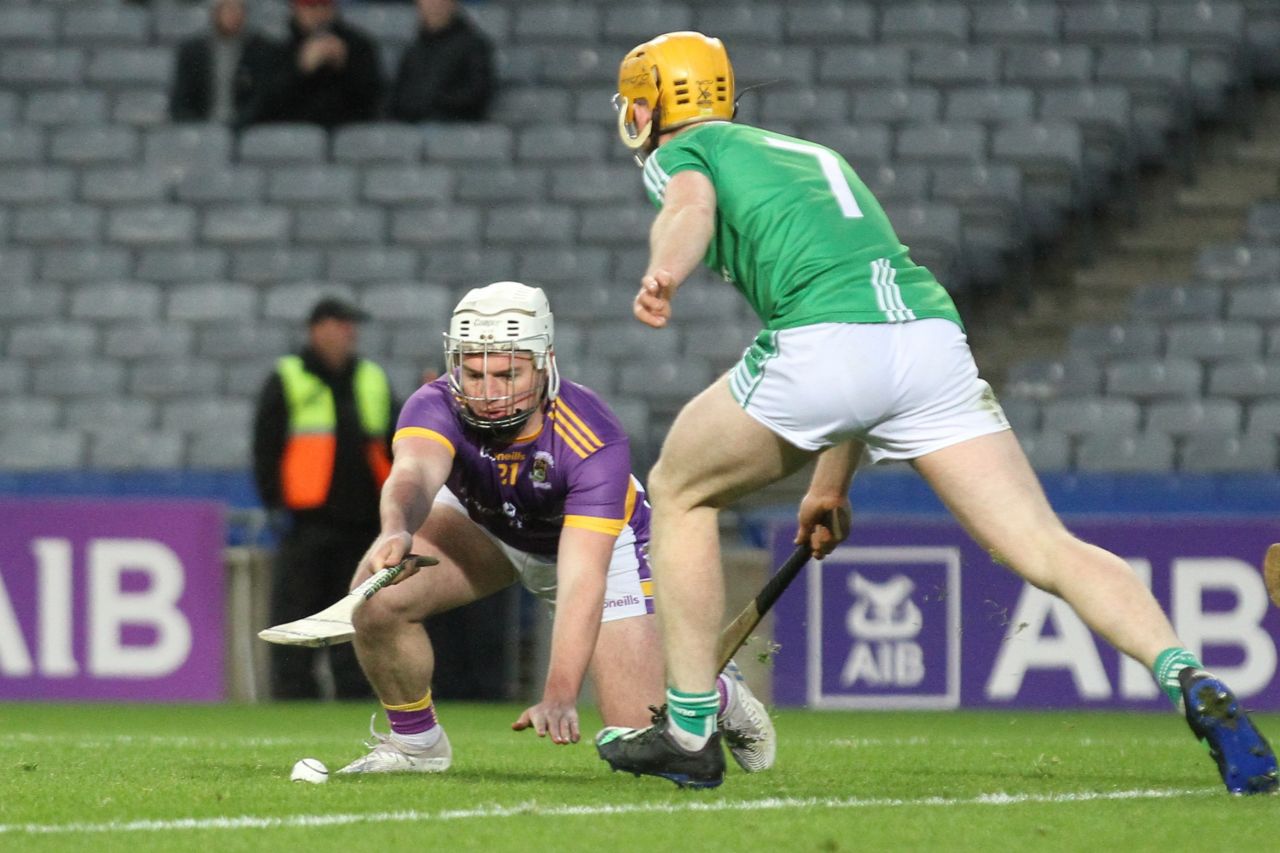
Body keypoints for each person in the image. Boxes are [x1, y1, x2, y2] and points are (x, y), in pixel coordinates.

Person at [594, 31, 1279, 794]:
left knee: (682, 487)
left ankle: (689, 729)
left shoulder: (683, 155)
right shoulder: (811, 157)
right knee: (1048, 547)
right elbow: (871, 343)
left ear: (653, 103)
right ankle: (1188, 675)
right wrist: (831, 482)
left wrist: (664, 269)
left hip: (827, 338)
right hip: (928, 338)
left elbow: (690, 208)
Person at [335, 281, 773, 781]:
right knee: (375, 598)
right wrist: (396, 529)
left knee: (639, 730)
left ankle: (718, 693)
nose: (488, 393)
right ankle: (416, 744)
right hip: (489, 525)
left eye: (507, 374)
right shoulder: (435, 403)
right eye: (473, 373)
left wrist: (560, 694)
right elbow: (413, 474)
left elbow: (582, 576)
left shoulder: (592, 439)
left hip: (602, 553)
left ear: (545, 363)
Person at [252, 297, 397, 700]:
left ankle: (356, 694)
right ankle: (294, 695)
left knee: (356, 614)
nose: (350, 333)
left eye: (352, 325)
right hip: (308, 520)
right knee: (297, 611)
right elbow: (266, 447)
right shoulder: (288, 376)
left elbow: (395, 441)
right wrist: (276, 507)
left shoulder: (371, 377)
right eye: (342, 323)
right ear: (318, 328)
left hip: (364, 523)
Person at [255, 0, 384, 128]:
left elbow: (373, 100)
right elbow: (264, 107)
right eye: (311, 7)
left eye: (324, 6)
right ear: (295, 9)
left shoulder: (357, 44)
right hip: (293, 133)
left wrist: (345, 66)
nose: (318, 13)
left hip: (348, 132)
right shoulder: (277, 47)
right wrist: (299, 69)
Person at [168, 0, 280, 128]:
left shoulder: (262, 49)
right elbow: (180, 101)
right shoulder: (192, 51)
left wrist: (238, 125)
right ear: (215, 12)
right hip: (202, 129)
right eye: (228, 8)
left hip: (247, 129)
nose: (233, 14)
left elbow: (262, 99)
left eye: (238, 9)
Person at [387, 0, 495, 124]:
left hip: (454, 125)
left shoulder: (473, 45)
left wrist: (433, 101)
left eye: (439, 2)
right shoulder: (413, 50)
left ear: (452, 5)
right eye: (427, 2)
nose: (434, 6)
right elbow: (398, 95)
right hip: (412, 124)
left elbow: (477, 93)